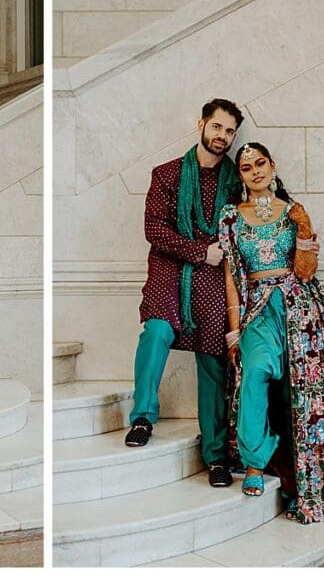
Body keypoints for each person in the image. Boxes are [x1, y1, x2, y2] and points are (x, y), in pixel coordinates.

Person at [218, 141, 324, 523]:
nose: (255, 171)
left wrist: (304, 227)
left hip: (297, 305)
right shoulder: (232, 217)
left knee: (301, 395)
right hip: (257, 307)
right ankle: (256, 460)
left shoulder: (293, 212)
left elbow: (306, 271)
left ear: (273, 166)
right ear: (240, 176)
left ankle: (306, 485)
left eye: (260, 163)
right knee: (255, 373)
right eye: (246, 167)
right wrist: (232, 331)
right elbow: (231, 276)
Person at [124, 98, 244, 488]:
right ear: (201, 125)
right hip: (169, 269)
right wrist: (198, 251)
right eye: (217, 127)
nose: (222, 136)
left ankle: (215, 455)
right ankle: (143, 417)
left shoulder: (235, 181)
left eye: (229, 131)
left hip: (212, 277)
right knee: (156, 331)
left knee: (212, 357)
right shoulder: (168, 174)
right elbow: (154, 231)